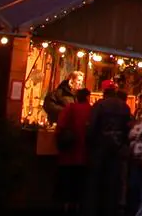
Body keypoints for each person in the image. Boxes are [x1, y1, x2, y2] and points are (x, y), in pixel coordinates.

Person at [85, 82, 132, 216]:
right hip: (116, 151)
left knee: (95, 184)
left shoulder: (99, 106)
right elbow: (128, 129)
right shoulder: (124, 107)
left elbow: (91, 128)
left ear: (104, 93)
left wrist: (90, 146)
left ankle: (94, 210)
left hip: (99, 150)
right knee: (112, 186)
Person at [55, 88, 91, 216]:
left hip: (68, 154)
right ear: (87, 97)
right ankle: (77, 207)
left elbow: (60, 126)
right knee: (79, 183)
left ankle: (65, 207)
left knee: (66, 182)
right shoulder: (91, 110)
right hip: (84, 154)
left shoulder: (70, 108)